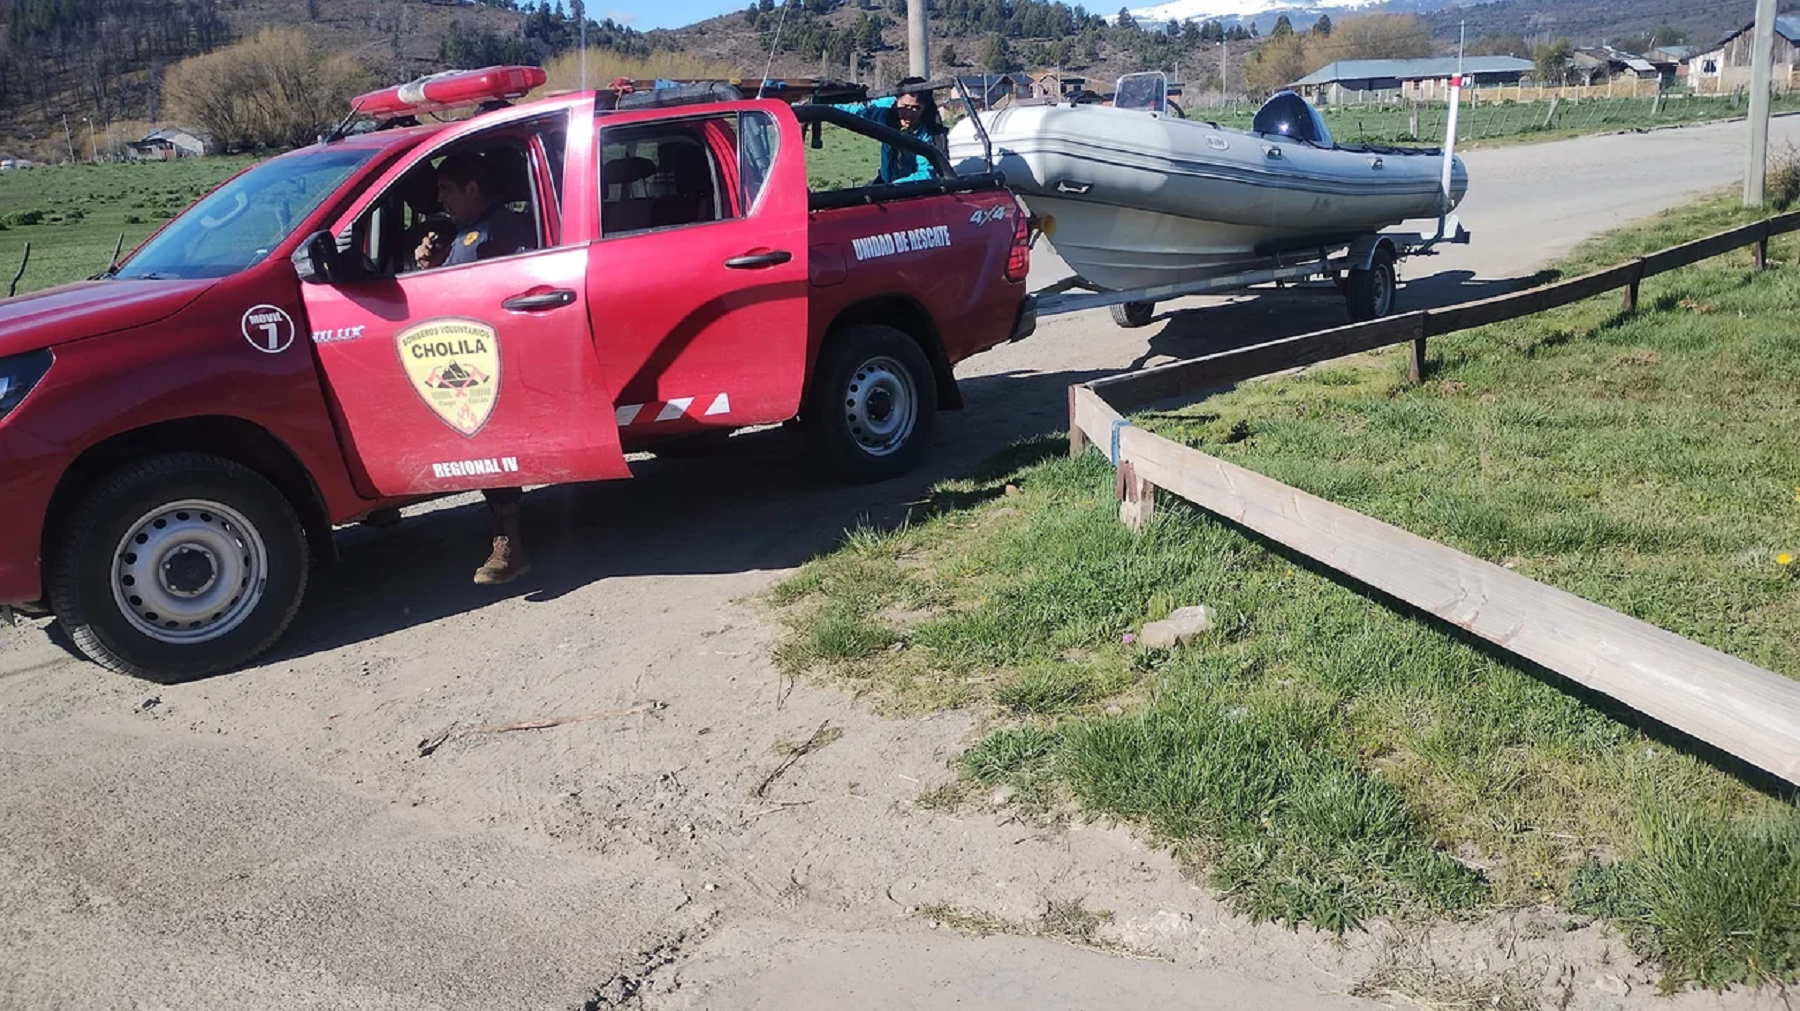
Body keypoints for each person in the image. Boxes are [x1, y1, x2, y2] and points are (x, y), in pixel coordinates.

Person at [413, 150, 539, 586]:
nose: (440, 198)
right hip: (469, 352)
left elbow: (521, 281)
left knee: (489, 440)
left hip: (505, 357)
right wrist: (430, 267)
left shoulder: (506, 226)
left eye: (446, 188)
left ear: (472, 188)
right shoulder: (464, 232)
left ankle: (510, 546)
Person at [829, 77, 946, 185]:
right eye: (904, 107)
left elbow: (926, 173)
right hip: (885, 181)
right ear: (896, 101)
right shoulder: (884, 110)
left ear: (925, 108)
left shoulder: (929, 133)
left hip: (913, 189)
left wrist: (894, 187)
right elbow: (857, 111)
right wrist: (826, 107)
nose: (909, 114)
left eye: (916, 108)